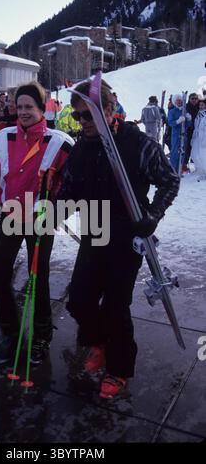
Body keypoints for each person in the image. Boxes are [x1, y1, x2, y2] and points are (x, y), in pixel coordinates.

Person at [58, 79, 180, 399]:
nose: (82, 122)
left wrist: (152, 215)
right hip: (95, 227)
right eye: (78, 115)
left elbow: (168, 182)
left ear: (110, 110)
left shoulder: (136, 144)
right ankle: (99, 345)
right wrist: (49, 214)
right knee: (80, 300)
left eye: (89, 114)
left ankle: (120, 367)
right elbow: (68, 191)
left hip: (127, 232)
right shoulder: (82, 147)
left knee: (115, 305)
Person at [0, 81, 73, 366]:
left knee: (39, 281)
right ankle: (11, 334)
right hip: (10, 218)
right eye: (19, 106)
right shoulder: (1, 139)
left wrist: (58, 211)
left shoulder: (60, 143)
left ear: (41, 109)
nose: (23, 112)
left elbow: (72, 188)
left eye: (29, 107)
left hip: (40, 221)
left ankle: (41, 336)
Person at [168, 94, 192, 173]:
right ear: (175, 102)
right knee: (175, 153)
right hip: (176, 135)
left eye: (180, 101)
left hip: (184, 134)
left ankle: (179, 169)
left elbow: (188, 125)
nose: (179, 102)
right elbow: (170, 123)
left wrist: (189, 119)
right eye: (177, 101)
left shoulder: (184, 111)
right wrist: (177, 121)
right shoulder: (172, 111)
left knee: (182, 153)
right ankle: (173, 170)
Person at [190, 99, 206, 180]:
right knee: (194, 154)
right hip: (197, 136)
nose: (201, 106)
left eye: (202, 105)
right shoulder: (198, 114)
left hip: (204, 137)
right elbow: (196, 127)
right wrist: (193, 138)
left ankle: (205, 172)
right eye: (200, 105)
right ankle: (199, 169)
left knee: (203, 155)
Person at [185, 92, 200, 169]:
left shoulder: (200, 107)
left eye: (196, 98)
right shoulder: (186, 107)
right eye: (192, 99)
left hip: (198, 132)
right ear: (189, 99)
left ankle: (196, 165)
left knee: (196, 148)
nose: (194, 100)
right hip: (188, 131)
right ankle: (184, 165)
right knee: (187, 148)